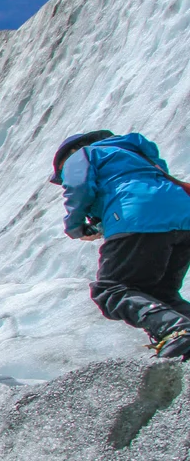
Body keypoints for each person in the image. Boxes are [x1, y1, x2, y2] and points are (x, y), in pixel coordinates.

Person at [51, 130, 190, 359]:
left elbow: (79, 188)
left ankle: (178, 331)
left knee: (110, 290)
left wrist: (75, 226)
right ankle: (180, 330)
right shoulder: (135, 153)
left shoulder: (83, 154)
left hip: (138, 216)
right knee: (159, 293)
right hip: (184, 218)